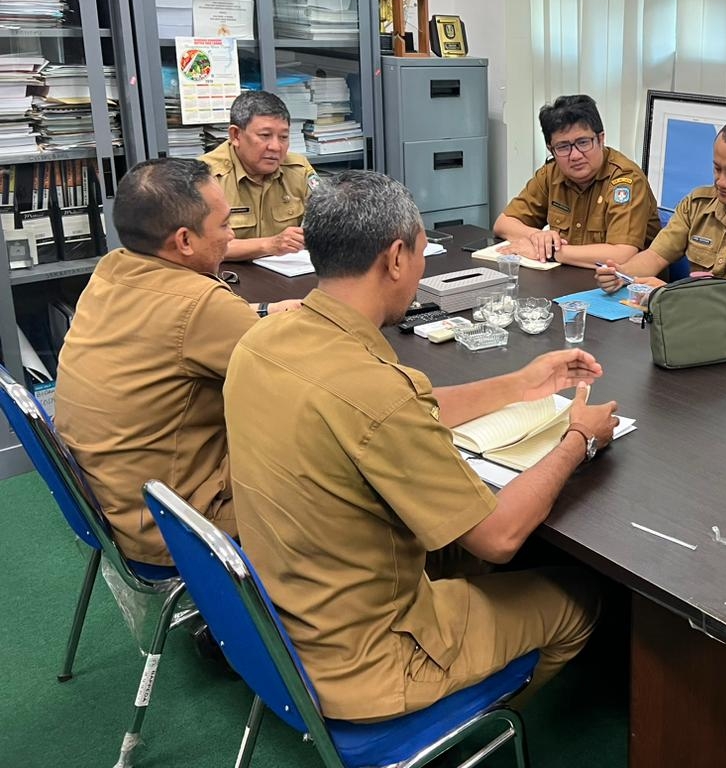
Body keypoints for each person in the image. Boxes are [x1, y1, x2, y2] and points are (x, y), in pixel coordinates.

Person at [224, 171, 620, 722]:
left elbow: (406, 403)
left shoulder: (264, 340)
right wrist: (580, 438)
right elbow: (498, 537)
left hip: (285, 615)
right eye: (419, 251)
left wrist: (521, 385)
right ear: (394, 258)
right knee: (580, 598)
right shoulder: (373, 393)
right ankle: (467, 733)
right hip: (368, 662)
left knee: (452, 553)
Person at [54, 159, 300, 566]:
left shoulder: (112, 268)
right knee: (336, 474)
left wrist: (258, 313)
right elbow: (312, 383)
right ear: (184, 240)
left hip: (111, 499)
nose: (232, 234)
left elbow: (174, 326)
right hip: (175, 524)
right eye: (223, 225)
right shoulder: (203, 305)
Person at [594, 118, 726, 301]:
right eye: (717, 168)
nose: (721, 182)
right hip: (689, 316)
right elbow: (656, 256)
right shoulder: (698, 203)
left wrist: (672, 293)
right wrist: (621, 274)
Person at [493, 94, 660, 267]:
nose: (575, 155)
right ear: (551, 149)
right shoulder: (551, 173)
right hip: (571, 277)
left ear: (601, 139)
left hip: (625, 286)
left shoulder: (625, 180)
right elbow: (503, 223)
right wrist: (536, 237)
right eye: (563, 147)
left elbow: (621, 255)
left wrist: (550, 251)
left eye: (583, 142)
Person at [200, 89, 317, 262]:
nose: (276, 147)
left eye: (283, 137)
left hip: (288, 277)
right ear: (236, 135)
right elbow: (202, 247)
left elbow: (329, 224)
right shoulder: (205, 177)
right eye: (265, 136)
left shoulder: (298, 169)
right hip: (227, 279)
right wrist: (268, 245)